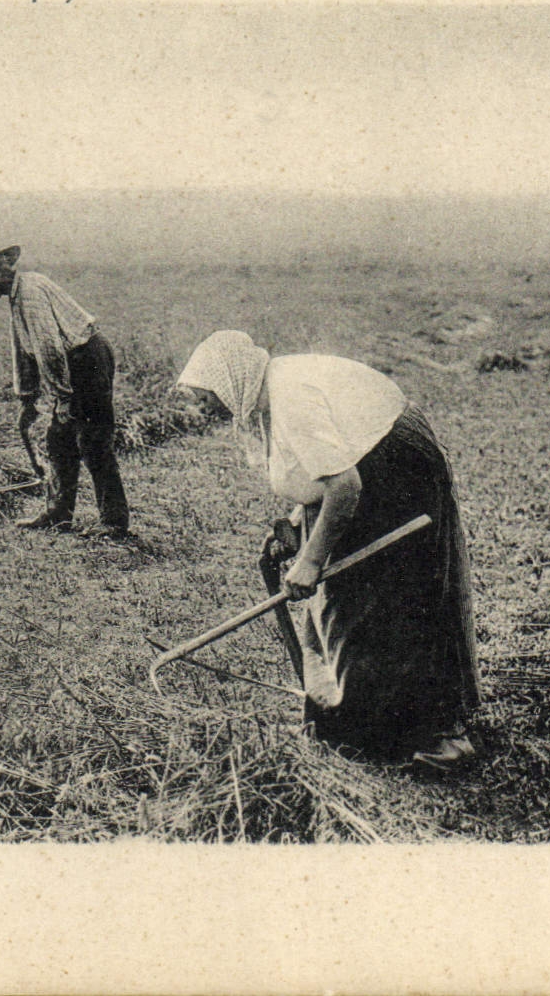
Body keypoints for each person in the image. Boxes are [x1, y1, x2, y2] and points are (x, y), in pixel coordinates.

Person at [177, 330, 480, 770]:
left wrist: (311, 559)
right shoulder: (269, 394)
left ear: (230, 380)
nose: (207, 407)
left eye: (209, 396)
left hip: (396, 472)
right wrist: (296, 524)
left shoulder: (290, 398)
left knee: (385, 603)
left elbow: (344, 484)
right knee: (340, 606)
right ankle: (345, 720)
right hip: (369, 468)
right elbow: (320, 470)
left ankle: (436, 737)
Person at [0, 240, 131, 539]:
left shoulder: (30, 292)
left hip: (87, 359)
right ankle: (58, 513)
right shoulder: (17, 297)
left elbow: (50, 350)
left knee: (93, 441)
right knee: (59, 439)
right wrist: (28, 400)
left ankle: (114, 522)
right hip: (73, 364)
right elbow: (25, 352)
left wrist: (62, 398)